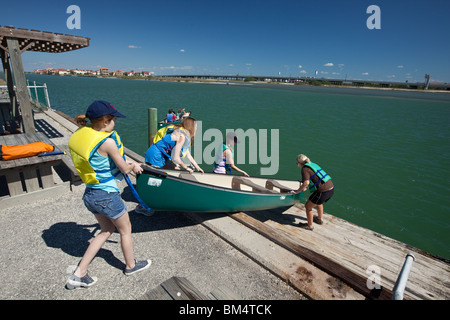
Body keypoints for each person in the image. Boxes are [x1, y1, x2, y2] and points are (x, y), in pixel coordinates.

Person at [66, 100, 151, 289]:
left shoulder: (86, 134)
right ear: (105, 121)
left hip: (91, 194)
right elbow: (124, 168)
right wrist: (134, 165)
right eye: (113, 120)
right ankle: (131, 265)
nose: (115, 123)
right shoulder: (108, 141)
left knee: (105, 231)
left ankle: (80, 273)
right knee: (125, 230)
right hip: (107, 196)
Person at [292, 154, 334, 230]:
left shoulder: (305, 169)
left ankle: (309, 226)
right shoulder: (312, 164)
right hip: (330, 188)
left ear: (299, 163)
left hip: (322, 192)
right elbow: (315, 178)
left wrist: (297, 191)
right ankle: (319, 219)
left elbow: (306, 183)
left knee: (308, 206)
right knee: (318, 202)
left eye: (297, 163)